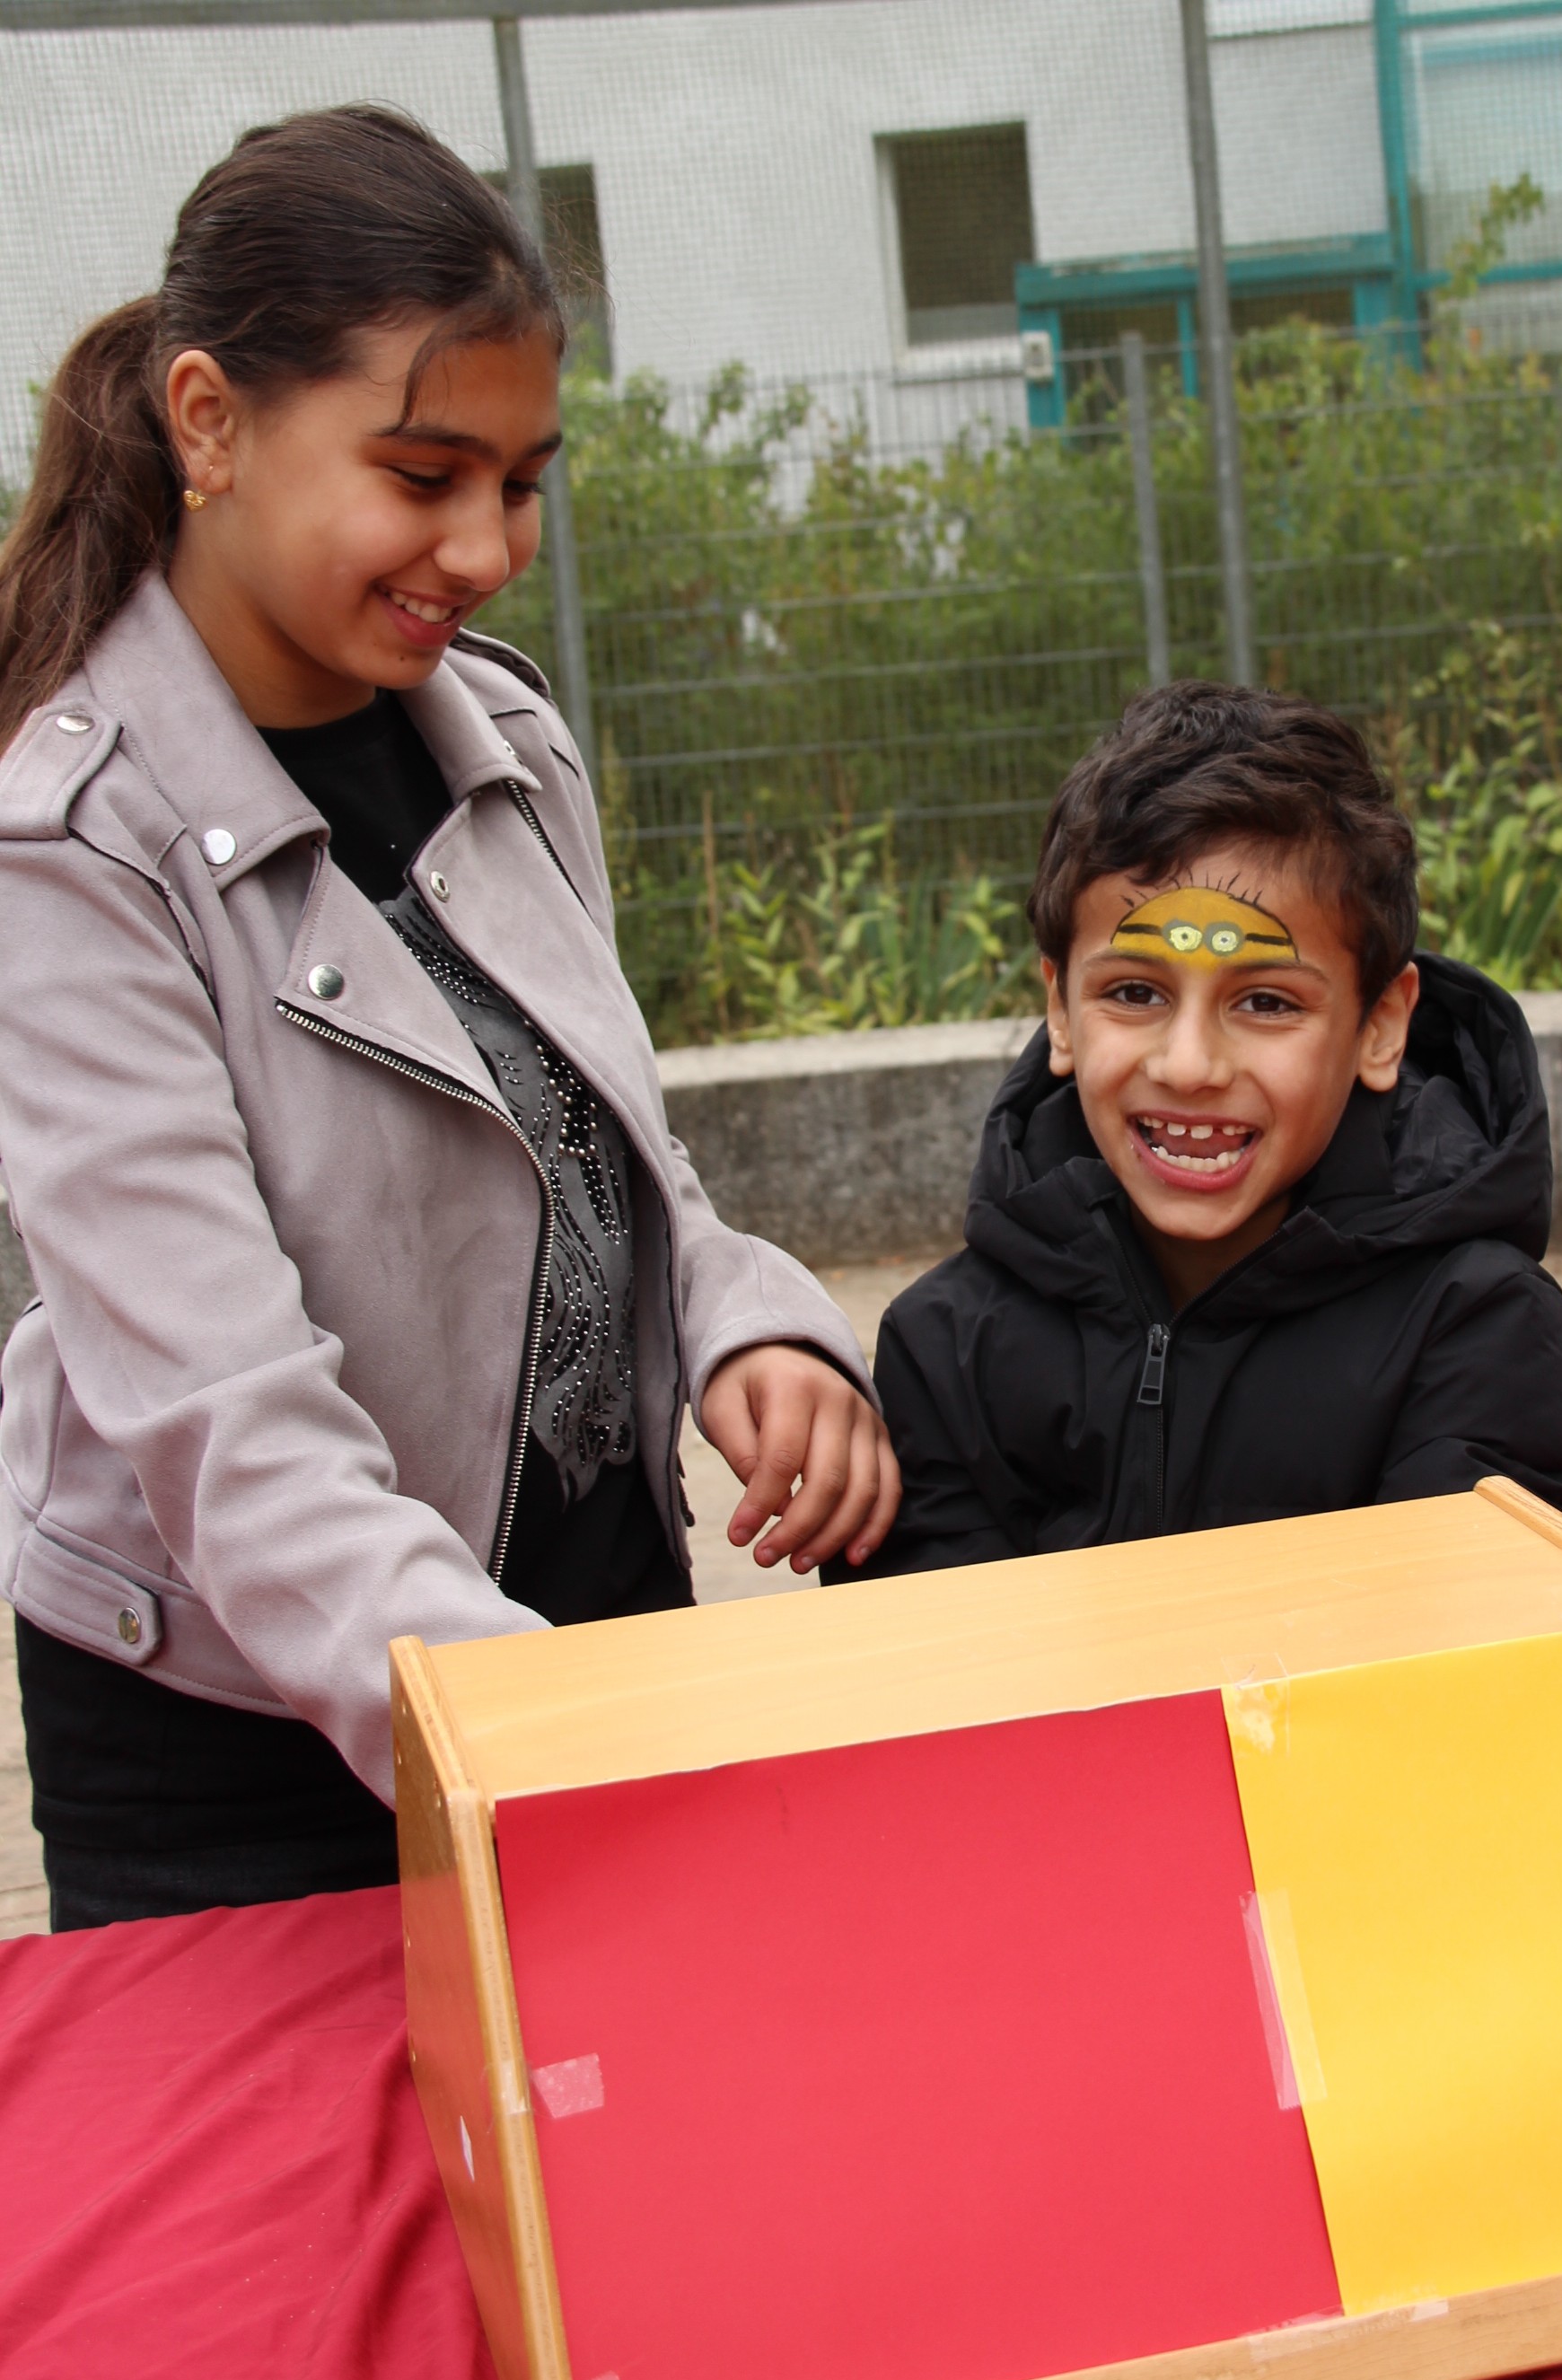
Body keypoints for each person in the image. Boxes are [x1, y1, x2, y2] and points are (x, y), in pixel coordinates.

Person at [0, 106, 897, 1929]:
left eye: (523, 479)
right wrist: (533, 1731)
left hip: (575, 1643)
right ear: (208, 423)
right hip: (255, 1747)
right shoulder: (70, 857)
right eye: (422, 476)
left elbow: (605, 1153)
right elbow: (228, 1427)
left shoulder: (509, 740)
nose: (486, 544)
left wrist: (747, 1326)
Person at [832, 680, 1562, 1579]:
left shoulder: (1482, 1335)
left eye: (1266, 1002)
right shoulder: (943, 1350)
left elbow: (1461, 1654)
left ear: (1379, 1026)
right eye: (1133, 992)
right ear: (1060, 1010)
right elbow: (934, 1660)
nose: (1189, 1065)